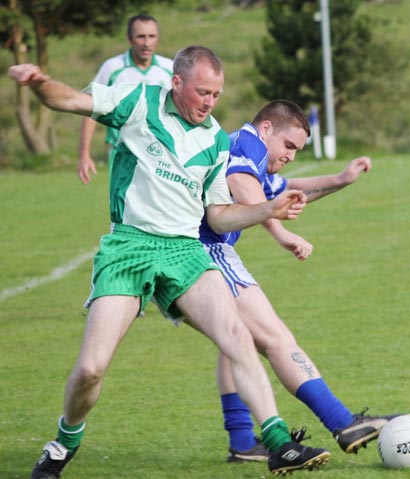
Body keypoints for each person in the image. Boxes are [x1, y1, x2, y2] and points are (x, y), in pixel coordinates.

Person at [9, 47, 331, 479]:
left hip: (184, 251)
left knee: (236, 335)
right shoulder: (138, 101)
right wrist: (38, 82)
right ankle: (64, 442)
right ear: (177, 83)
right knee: (90, 369)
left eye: (216, 94)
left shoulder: (216, 138)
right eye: (202, 92)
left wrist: (266, 210)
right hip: (129, 246)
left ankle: (278, 444)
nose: (209, 103)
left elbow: (218, 214)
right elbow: (68, 100)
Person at [199, 100, 399, 463]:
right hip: (206, 251)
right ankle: (343, 422)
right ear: (266, 130)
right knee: (275, 337)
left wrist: (340, 180)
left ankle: (243, 442)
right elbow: (241, 184)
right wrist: (279, 233)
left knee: (234, 342)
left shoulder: (254, 152)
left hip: (200, 252)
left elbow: (289, 190)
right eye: (289, 146)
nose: (291, 155)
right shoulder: (246, 143)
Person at [78, 14, 173, 184]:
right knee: (123, 209)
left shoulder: (169, 68)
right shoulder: (113, 68)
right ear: (129, 38)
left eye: (151, 36)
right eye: (140, 36)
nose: (146, 43)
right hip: (123, 153)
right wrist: (84, 154)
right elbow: (90, 109)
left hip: (162, 155)